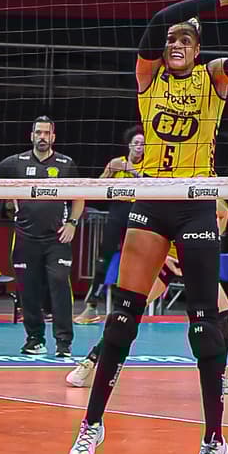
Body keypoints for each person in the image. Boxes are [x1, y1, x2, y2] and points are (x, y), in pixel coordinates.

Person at [68, 0, 228, 454]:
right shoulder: (149, 78)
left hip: (197, 203)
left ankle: (213, 439)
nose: (176, 45)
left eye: (185, 41)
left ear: (198, 50)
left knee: (204, 323)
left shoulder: (213, 78)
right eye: (172, 42)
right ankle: (90, 428)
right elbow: (161, 16)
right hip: (153, 199)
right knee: (122, 320)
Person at [67, 199, 228, 397]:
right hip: (161, 260)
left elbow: (223, 214)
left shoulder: (207, 191)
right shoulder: (162, 185)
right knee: (125, 318)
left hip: (191, 259)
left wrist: (205, 248)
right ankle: (89, 363)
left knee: (226, 318)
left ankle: (219, 378)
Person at [0, 116, 84, 358]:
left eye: (46, 133)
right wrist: (7, 197)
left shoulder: (65, 163)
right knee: (28, 290)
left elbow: (80, 195)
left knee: (59, 284)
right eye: (38, 132)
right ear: (31, 135)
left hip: (57, 238)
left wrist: (72, 223)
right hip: (26, 237)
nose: (42, 137)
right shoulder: (16, 162)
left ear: (53, 137)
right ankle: (35, 340)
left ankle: (63, 344)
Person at [75, 127, 145, 324]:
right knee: (103, 258)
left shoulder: (149, 165)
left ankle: (128, 307)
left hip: (138, 214)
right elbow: (99, 186)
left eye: (143, 144)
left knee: (134, 261)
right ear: (129, 145)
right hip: (117, 212)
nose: (139, 147)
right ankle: (91, 306)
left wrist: (133, 172)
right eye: (136, 143)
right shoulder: (116, 163)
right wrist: (114, 175)